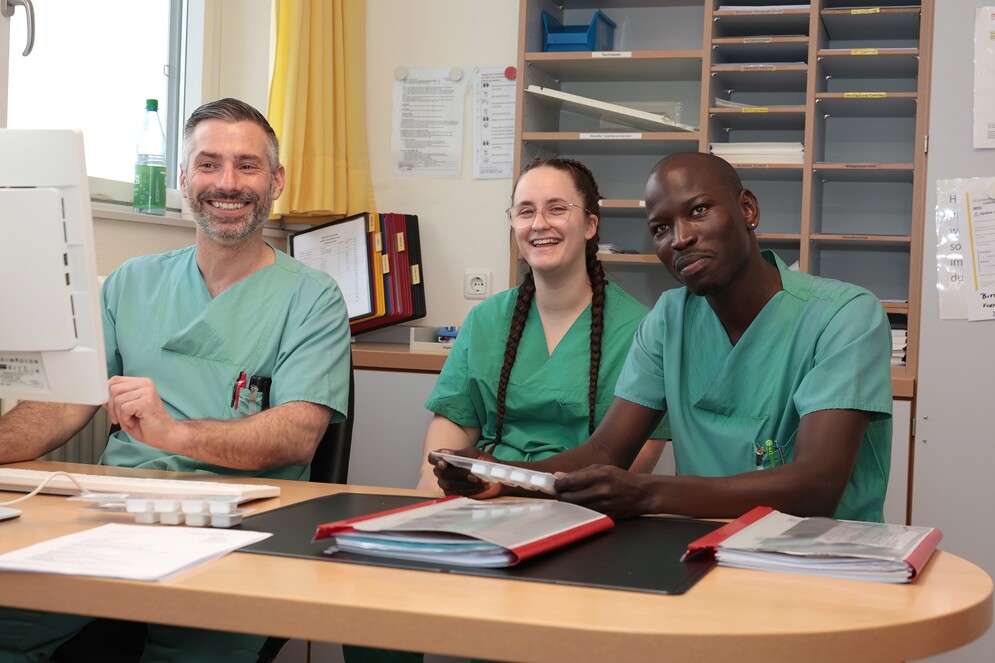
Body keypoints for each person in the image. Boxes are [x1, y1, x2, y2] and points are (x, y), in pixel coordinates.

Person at [0, 98, 351, 662]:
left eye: (248, 165)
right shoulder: (130, 283)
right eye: (208, 164)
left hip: (241, 521)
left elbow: (296, 436)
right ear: (183, 178)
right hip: (115, 511)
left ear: (277, 180)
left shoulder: (312, 298)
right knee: (11, 618)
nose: (227, 183)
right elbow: (66, 406)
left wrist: (173, 434)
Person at [432, 151, 893, 524]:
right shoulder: (669, 321)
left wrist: (650, 493)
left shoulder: (844, 316)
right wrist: (497, 476)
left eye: (698, 211)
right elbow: (605, 451)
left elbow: (817, 487)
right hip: (707, 551)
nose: (681, 238)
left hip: (825, 558)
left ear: (747, 210)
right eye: (660, 228)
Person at [343, 157, 667, 663]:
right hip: (482, 508)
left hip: (583, 518)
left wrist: (517, 490)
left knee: (507, 633)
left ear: (590, 224)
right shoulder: (487, 320)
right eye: (525, 211)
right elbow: (451, 426)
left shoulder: (641, 330)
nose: (539, 224)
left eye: (557, 208)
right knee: (372, 607)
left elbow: (636, 454)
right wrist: (430, 510)